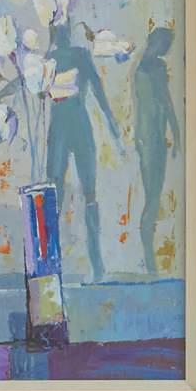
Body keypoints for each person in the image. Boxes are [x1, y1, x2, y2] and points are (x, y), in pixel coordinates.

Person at [45, 17, 120, 283]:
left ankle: (95, 264)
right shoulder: (53, 58)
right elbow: (97, 91)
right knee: (56, 196)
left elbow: (98, 91)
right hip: (66, 130)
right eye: (59, 29)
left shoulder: (69, 56)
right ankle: (53, 265)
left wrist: (113, 126)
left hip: (70, 129)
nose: (61, 33)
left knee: (85, 194)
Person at [131, 22, 181, 279]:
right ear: (158, 42)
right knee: (152, 199)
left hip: (148, 140)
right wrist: (176, 133)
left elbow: (159, 104)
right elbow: (164, 103)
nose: (167, 50)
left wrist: (175, 133)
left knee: (152, 199)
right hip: (151, 141)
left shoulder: (142, 67)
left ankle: (149, 261)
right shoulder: (152, 69)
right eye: (166, 45)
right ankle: (149, 262)